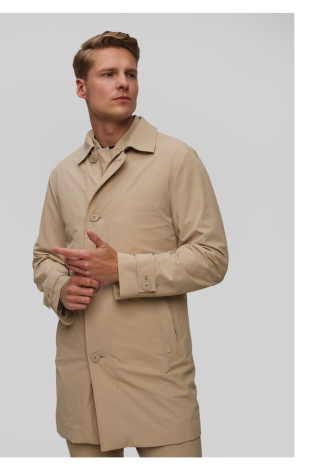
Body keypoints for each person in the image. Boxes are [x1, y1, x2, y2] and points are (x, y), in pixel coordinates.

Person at [32, 31, 229, 458]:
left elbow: (212, 257)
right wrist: (61, 288)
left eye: (131, 74)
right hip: (83, 379)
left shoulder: (176, 159)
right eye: (109, 74)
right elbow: (45, 256)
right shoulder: (63, 174)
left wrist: (121, 269)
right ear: (82, 87)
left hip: (157, 378)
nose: (123, 82)